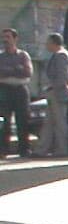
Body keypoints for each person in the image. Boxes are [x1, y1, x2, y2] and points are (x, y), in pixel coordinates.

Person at [37, 33, 68, 157]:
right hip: (53, 93)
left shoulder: (61, 56)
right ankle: (42, 149)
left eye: (48, 42)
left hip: (58, 93)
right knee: (48, 122)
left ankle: (62, 149)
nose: (47, 45)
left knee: (59, 123)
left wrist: (53, 88)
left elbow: (63, 76)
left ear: (54, 43)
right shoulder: (56, 55)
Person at [0, 28, 32, 158]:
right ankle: (3, 150)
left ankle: (24, 150)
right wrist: (16, 69)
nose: (5, 40)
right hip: (4, 90)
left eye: (8, 37)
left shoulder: (23, 55)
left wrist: (8, 70)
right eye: (3, 37)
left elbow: (27, 72)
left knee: (23, 121)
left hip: (20, 90)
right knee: (4, 122)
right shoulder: (1, 57)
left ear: (15, 39)